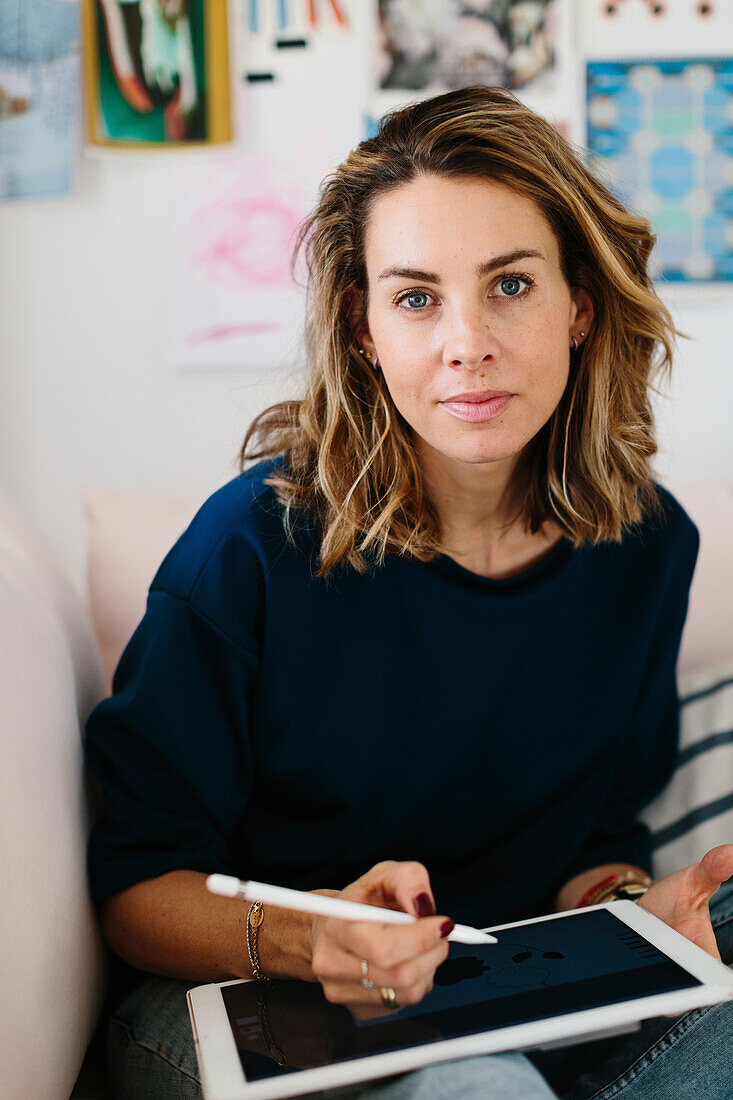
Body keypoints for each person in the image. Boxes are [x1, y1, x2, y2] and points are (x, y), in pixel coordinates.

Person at [85, 85, 733, 1099]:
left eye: (510, 285)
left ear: (581, 305)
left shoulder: (644, 545)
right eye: (417, 296)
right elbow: (134, 889)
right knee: (476, 1081)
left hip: (516, 985)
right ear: (362, 328)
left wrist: (636, 907)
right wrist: (312, 935)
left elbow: (597, 836)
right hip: (243, 996)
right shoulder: (249, 546)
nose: (464, 340)